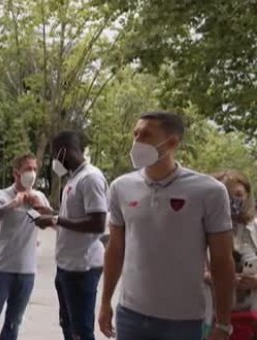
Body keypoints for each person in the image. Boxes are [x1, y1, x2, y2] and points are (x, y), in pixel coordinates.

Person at [98, 112, 235, 340]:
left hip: (183, 320)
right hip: (131, 314)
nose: (137, 141)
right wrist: (105, 302)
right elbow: (115, 249)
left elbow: (222, 261)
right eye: (136, 134)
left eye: (146, 134)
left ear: (172, 142)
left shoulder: (208, 191)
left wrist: (223, 323)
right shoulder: (121, 187)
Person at [34, 130, 108, 340]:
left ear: (64, 151)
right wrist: (50, 216)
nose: (54, 161)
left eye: (55, 154)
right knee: (68, 324)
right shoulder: (73, 179)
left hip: (82, 268)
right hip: (66, 266)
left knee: (80, 331)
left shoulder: (90, 178)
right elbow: (72, 221)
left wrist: (56, 220)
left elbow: (97, 223)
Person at [0, 153, 51, 340]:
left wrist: (39, 207)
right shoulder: (1, 195)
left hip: (26, 271)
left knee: (13, 322)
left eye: (34, 169)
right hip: (3, 269)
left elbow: (46, 222)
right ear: (16, 173)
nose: (32, 173)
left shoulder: (37, 197)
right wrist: (13, 204)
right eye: (28, 169)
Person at [207, 170, 257, 338]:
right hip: (211, 317)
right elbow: (185, 267)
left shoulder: (254, 227)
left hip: (252, 317)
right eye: (226, 194)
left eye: (238, 194)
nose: (233, 200)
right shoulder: (201, 228)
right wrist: (218, 278)